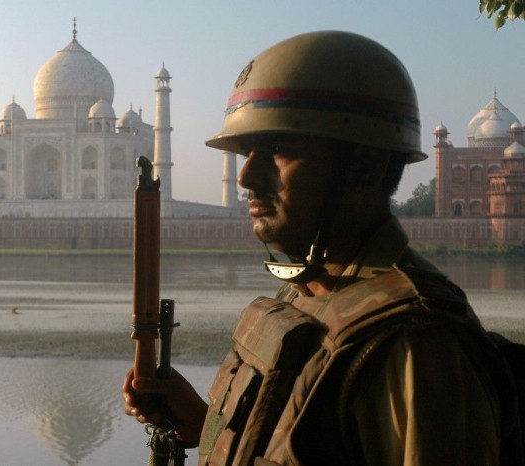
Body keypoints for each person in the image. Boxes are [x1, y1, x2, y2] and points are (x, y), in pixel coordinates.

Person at [123, 31, 523, 465]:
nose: (247, 176)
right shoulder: (311, 291)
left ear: (364, 167)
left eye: (278, 149)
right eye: (247, 151)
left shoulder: (416, 348)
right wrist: (207, 427)